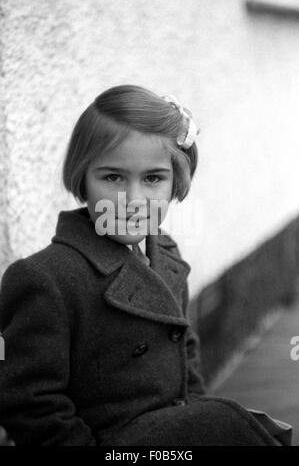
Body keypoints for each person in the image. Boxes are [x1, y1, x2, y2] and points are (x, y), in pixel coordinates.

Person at [0, 85, 292, 446]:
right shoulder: (47, 279)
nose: (133, 200)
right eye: (112, 178)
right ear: (82, 180)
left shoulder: (165, 254)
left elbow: (186, 356)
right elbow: (30, 405)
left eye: (153, 178)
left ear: (175, 184)